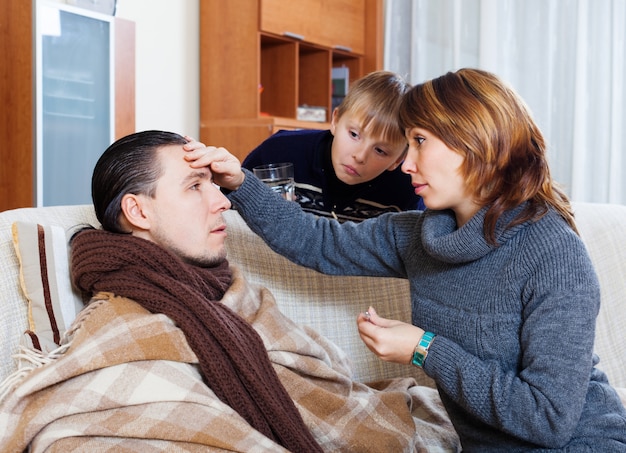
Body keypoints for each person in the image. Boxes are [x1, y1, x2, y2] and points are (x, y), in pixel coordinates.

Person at [188, 69, 626, 451]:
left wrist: (424, 349)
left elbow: (548, 419)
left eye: (418, 142)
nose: (404, 164)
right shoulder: (420, 235)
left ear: (473, 142)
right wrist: (241, 183)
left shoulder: (553, 253)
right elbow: (317, 241)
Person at [0, 131, 461, 452]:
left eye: (215, 185)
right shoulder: (116, 321)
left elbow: (329, 390)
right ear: (138, 212)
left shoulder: (235, 294)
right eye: (194, 187)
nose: (222, 200)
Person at [242, 70, 425, 222]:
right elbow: (231, 204)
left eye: (380, 151)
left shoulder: (408, 189)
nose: (360, 156)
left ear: (398, 160)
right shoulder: (279, 150)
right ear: (336, 120)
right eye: (354, 134)